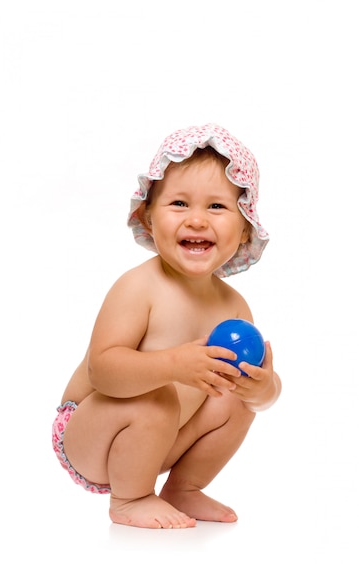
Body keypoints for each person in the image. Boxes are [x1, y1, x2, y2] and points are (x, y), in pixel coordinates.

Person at [52, 123, 281, 529]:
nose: (196, 220)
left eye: (216, 207)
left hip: (161, 441)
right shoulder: (140, 287)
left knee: (234, 399)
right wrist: (173, 365)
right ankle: (130, 499)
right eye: (178, 203)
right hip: (94, 433)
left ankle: (184, 488)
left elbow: (258, 393)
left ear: (244, 227)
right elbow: (101, 371)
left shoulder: (234, 308)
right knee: (157, 395)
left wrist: (264, 388)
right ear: (148, 216)